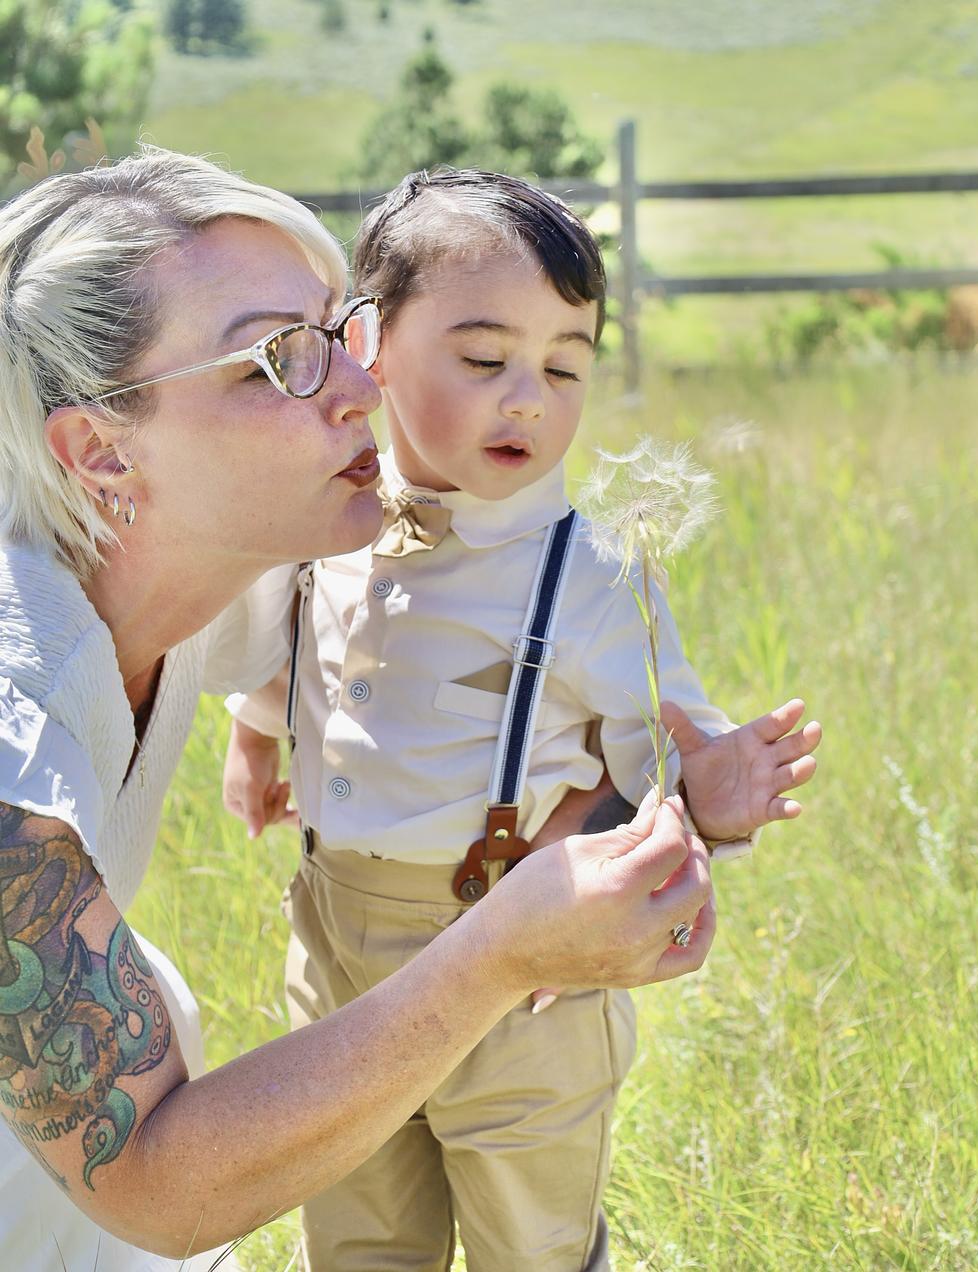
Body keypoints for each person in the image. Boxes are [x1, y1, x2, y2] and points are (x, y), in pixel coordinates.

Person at [0, 149, 717, 1272]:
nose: (360, 388)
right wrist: (498, 952)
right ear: (99, 450)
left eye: (338, 334)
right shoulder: (15, 716)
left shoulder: (196, 586)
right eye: (278, 359)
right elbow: (153, 1182)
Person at [222, 169, 822, 1271]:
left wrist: (710, 796)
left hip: (522, 972)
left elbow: (657, 757)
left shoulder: (587, 578)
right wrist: (258, 734)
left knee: (530, 1239)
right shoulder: (326, 525)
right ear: (370, 346)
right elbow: (297, 646)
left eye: (564, 366)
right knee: (354, 1226)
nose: (529, 401)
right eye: (485, 359)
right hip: (338, 945)